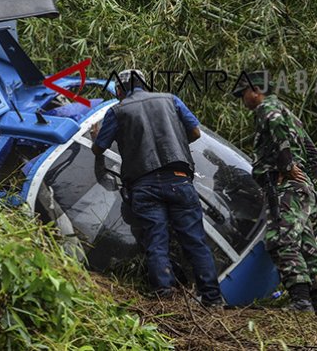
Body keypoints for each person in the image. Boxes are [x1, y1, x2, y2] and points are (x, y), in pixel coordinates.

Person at [91, 69, 224, 308]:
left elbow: (99, 148)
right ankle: (213, 299)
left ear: (120, 90)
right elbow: (194, 132)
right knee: (195, 242)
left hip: (144, 186)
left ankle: (166, 299)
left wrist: (96, 136)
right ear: (145, 84)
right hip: (179, 179)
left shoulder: (117, 111)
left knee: (156, 243)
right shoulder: (170, 99)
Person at [232, 71, 317, 317]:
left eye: (243, 93)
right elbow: (313, 153)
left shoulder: (268, 110)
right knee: (307, 245)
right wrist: (307, 177)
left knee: (281, 239)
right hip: (300, 189)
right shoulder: (289, 113)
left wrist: (287, 168)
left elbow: (279, 136)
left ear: (256, 90)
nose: (242, 99)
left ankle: (301, 303)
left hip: (285, 190)